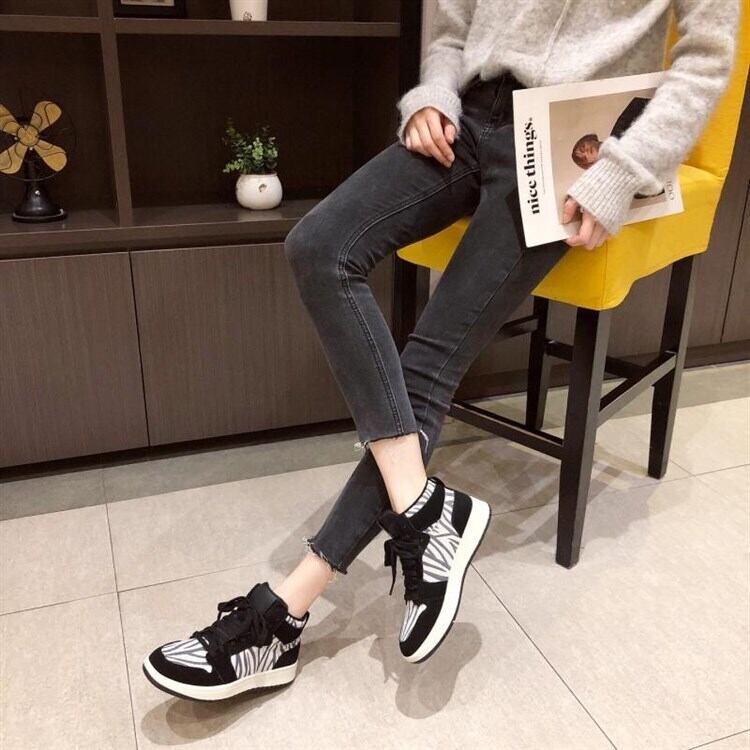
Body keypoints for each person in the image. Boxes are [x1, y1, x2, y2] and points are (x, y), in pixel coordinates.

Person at [142, 0, 738, 701]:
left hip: (569, 146)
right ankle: (426, 512)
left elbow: (707, 58)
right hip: (466, 119)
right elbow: (451, 26)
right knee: (318, 245)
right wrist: (431, 94)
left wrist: (624, 167)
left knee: (426, 366)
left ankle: (284, 613)